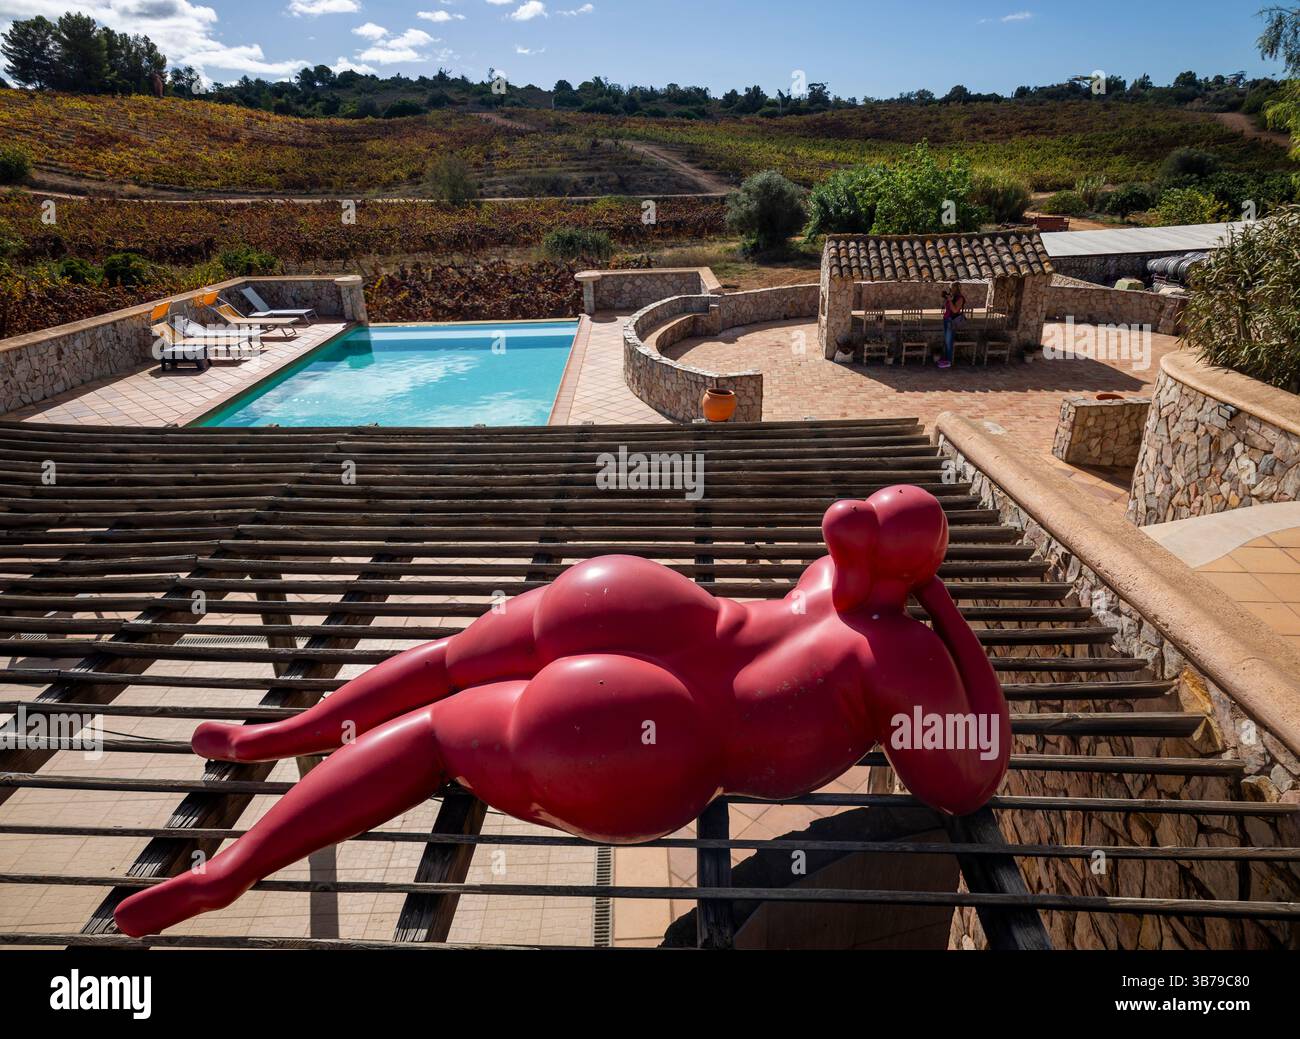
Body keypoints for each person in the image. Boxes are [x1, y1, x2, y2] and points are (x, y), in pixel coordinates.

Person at [113, 488, 1010, 938]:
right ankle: (228, 870)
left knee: (446, 663)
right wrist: (949, 615)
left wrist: (919, 595)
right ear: (911, 575)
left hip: (650, 607)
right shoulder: (904, 655)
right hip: (656, 736)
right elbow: (972, 776)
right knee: (435, 737)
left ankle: (280, 735)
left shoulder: (820, 581)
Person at [939, 282, 966, 369]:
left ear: (956, 288)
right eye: (949, 288)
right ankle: (946, 359)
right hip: (946, 320)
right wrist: (945, 299)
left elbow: (955, 310)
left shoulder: (960, 298)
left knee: (949, 342)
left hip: (952, 321)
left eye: (951, 288)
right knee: (946, 341)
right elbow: (944, 307)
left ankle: (949, 361)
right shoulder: (952, 297)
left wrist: (950, 300)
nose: (950, 290)